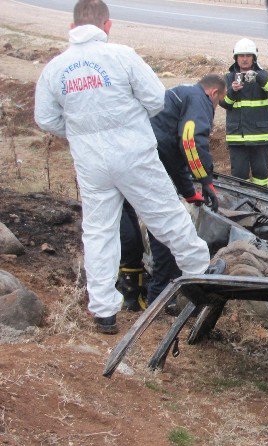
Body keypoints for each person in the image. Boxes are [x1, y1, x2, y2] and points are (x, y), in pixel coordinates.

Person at [34, 0, 211, 334]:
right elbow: (156, 99)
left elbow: (45, 118)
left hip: (91, 162)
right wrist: (127, 123)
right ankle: (202, 279)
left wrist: (79, 131)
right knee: (168, 217)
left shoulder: (55, 68)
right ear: (107, 25)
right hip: (134, 154)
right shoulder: (122, 56)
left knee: (99, 231)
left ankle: (103, 311)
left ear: (72, 28)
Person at [119, 75, 227, 311]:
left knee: (122, 216)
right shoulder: (200, 99)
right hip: (148, 158)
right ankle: (161, 294)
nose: (215, 108)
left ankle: (129, 290)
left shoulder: (179, 96)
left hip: (127, 154)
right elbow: (190, 141)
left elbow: (173, 152)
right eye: (219, 102)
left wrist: (189, 192)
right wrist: (205, 181)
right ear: (214, 93)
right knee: (165, 221)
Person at [220, 38, 268, 186]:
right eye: (241, 56)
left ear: (254, 57)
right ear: (236, 58)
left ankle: (261, 204)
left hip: (260, 138)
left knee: (261, 177)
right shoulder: (228, 78)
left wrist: (259, 76)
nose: (245, 59)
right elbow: (224, 104)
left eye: (248, 55)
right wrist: (232, 91)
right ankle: (242, 206)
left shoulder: (263, 76)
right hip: (237, 138)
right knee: (239, 178)